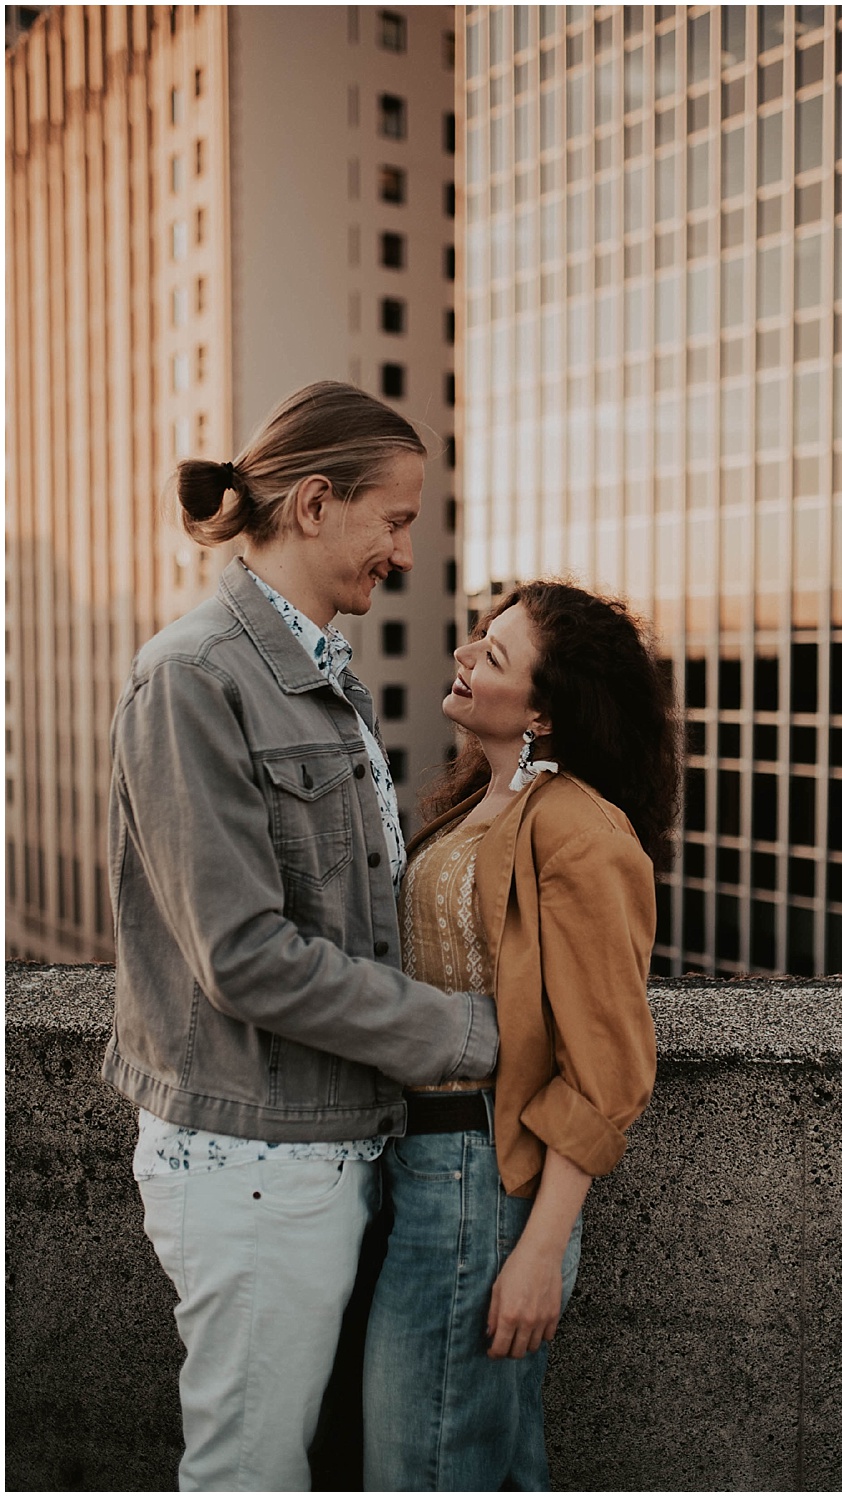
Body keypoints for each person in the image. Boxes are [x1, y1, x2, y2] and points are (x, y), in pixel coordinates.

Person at [105, 380, 501, 1491]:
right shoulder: (192, 676)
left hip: (329, 1145)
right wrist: (468, 1035)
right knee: (250, 1474)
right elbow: (243, 956)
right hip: (254, 1168)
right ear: (317, 502)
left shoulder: (321, 676)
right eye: (397, 519)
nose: (405, 553)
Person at [361, 580, 677, 1490]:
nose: (463, 655)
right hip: (421, 1175)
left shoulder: (578, 830)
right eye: (475, 638)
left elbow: (609, 1067)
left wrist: (538, 1251)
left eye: (492, 655)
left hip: (481, 1190)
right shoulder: (479, 801)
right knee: (474, 1463)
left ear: (542, 708)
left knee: (425, 1468)